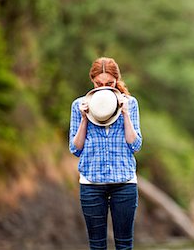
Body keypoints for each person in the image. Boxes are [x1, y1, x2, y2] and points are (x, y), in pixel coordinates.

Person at [69, 57, 143, 250]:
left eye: (109, 83)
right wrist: (84, 118)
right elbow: (75, 148)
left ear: (116, 80)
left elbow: (135, 145)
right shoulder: (79, 105)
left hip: (124, 183)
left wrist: (125, 114)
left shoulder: (130, 103)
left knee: (124, 245)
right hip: (92, 184)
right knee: (97, 246)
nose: (104, 87)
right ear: (92, 81)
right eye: (98, 84)